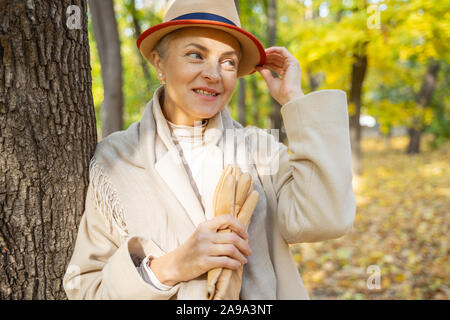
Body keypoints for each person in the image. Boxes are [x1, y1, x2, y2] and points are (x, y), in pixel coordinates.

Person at [63, 0, 356, 300]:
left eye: (228, 62)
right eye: (196, 55)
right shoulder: (117, 160)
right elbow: (84, 289)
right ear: (159, 63)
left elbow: (327, 217)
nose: (214, 74)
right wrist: (170, 267)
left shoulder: (259, 148)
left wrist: (293, 98)